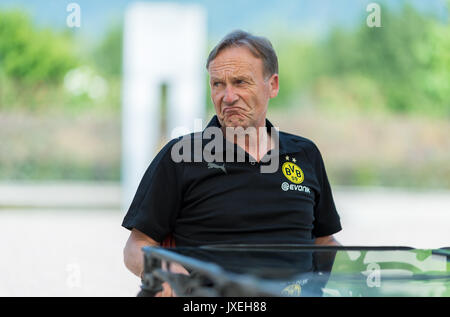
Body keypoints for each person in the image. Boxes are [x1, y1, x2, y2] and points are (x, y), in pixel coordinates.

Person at [122, 30, 342, 295]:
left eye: (240, 82)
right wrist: (163, 270)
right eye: (217, 84)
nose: (227, 97)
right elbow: (136, 246)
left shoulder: (305, 154)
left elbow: (324, 241)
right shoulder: (181, 156)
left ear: (272, 85)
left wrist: (352, 280)